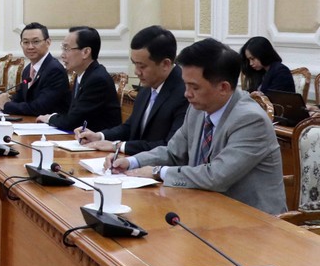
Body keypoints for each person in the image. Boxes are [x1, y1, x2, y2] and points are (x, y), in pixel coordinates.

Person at [107, 38, 286, 215]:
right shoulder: (197, 110)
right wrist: (131, 162)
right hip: (203, 209)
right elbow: (172, 152)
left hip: (252, 222)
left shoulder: (250, 120)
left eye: (194, 87)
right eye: (185, 84)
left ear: (223, 87)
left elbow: (216, 176)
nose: (186, 94)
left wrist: (157, 172)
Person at [76, 26, 188, 155]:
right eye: (134, 64)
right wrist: (99, 136)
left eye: (142, 66)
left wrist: (118, 146)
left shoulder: (185, 93)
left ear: (165, 64)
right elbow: (130, 127)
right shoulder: (147, 86)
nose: (136, 72)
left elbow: (169, 146)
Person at [37, 26, 121, 132]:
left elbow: (72, 122)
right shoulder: (82, 74)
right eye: (63, 48)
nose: (62, 55)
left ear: (85, 52)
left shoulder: (97, 80)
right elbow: (73, 115)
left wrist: (49, 118)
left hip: (101, 143)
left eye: (67, 49)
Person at [0, 22, 70, 116]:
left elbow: (39, 108)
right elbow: (20, 97)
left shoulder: (54, 70)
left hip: (51, 127)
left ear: (48, 42)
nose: (30, 47)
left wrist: (6, 105)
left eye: (36, 41)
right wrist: (5, 99)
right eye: (26, 42)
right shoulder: (27, 70)